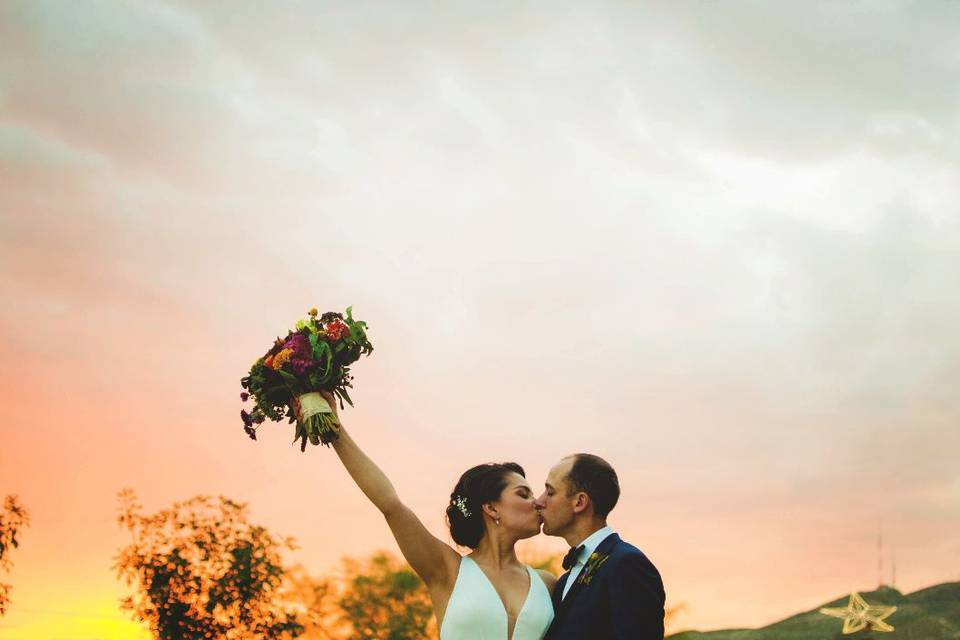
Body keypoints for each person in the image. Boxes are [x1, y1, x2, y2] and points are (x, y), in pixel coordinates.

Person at [319, 390, 556, 640]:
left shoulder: (548, 584)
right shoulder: (447, 569)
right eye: (523, 494)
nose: (537, 502)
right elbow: (390, 504)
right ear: (491, 508)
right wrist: (336, 433)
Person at [536, 454, 665, 640]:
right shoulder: (565, 581)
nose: (539, 501)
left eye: (550, 492)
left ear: (579, 502)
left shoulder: (626, 564)